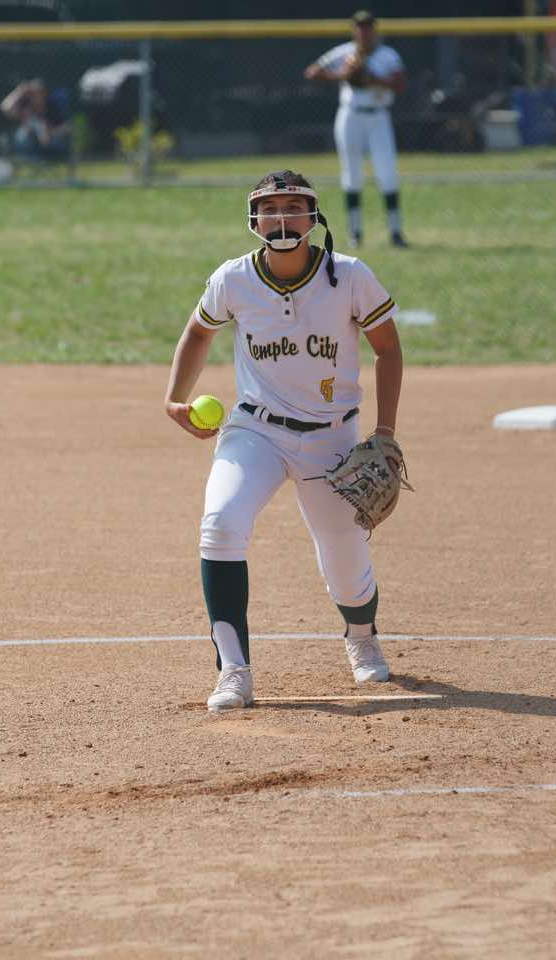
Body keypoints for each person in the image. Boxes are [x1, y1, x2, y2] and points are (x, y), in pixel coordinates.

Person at [165, 169, 405, 712]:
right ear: (253, 220)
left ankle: (361, 636)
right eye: (270, 209)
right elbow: (199, 330)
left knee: (346, 569)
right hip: (256, 431)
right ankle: (234, 671)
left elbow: (388, 349)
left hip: (332, 438)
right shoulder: (233, 279)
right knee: (220, 524)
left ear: (313, 217)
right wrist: (173, 399)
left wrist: (385, 432)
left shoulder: (350, 277)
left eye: (294, 207)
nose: (282, 219)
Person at [304, 9, 408, 248]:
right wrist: (343, 74)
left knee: (387, 172)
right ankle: (355, 233)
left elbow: (400, 83)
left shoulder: (387, 55)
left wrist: (373, 79)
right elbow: (312, 72)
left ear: (374, 30)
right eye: (359, 28)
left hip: (378, 116)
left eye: (368, 27)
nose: (364, 32)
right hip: (350, 115)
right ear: (354, 31)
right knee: (352, 174)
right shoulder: (344, 52)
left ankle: (395, 232)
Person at [0, 79, 70, 161]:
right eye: (32, 94)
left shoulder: (53, 105)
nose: (36, 96)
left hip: (52, 138)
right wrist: (18, 91)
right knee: (22, 136)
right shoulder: (26, 106)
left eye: (39, 93)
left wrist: (51, 132)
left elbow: (68, 126)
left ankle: (54, 158)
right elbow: (5, 108)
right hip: (32, 138)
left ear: (45, 93)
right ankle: (29, 158)